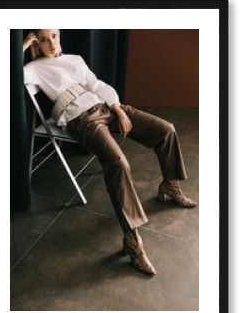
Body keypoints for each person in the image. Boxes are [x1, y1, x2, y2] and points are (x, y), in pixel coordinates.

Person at [23, 29, 197, 277]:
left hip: (108, 107)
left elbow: (97, 85)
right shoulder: (35, 67)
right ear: (36, 44)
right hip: (83, 121)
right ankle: (132, 239)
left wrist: (119, 110)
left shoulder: (75, 60)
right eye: (43, 39)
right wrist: (22, 45)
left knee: (166, 129)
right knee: (118, 163)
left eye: (54, 36)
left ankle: (170, 184)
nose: (51, 43)